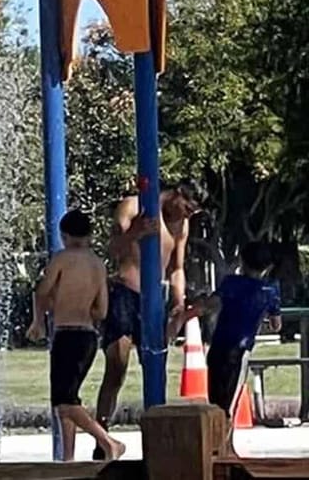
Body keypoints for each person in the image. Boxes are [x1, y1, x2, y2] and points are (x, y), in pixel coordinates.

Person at [93, 180, 201, 459]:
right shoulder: (132, 206)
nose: (186, 215)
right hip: (123, 291)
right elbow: (113, 250)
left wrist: (178, 301)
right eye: (186, 208)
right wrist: (135, 232)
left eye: (191, 213)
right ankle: (102, 435)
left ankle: (159, 438)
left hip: (154, 299)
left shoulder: (181, 226)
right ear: (177, 194)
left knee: (155, 367)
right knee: (116, 365)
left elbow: (176, 268)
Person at [27, 209, 126, 462]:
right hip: (88, 337)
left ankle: (108, 442)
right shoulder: (97, 264)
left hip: (66, 334)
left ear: (64, 235)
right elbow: (101, 311)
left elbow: (42, 291)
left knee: (63, 401)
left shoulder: (62, 259)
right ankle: (67, 459)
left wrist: (39, 320)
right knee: (67, 399)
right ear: (90, 235)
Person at [181, 241, 281, 453]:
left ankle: (215, 445)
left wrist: (189, 311)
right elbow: (276, 324)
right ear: (268, 266)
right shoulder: (270, 291)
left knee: (215, 399)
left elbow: (211, 305)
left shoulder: (230, 283)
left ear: (242, 262)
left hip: (219, 345)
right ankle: (226, 446)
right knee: (231, 401)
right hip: (241, 349)